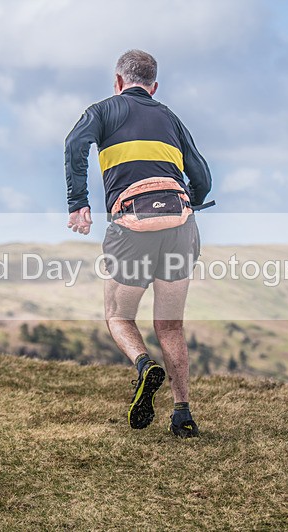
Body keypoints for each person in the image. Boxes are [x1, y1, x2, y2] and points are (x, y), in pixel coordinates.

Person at [64, 50, 211, 438]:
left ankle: (145, 367)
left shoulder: (103, 111)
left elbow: (74, 144)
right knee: (171, 325)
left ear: (118, 81)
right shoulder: (170, 117)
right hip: (180, 224)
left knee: (118, 316)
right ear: (154, 86)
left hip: (132, 227)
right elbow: (202, 176)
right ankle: (183, 414)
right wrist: (187, 201)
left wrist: (78, 203)